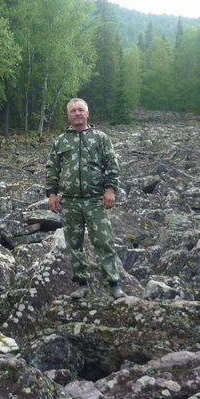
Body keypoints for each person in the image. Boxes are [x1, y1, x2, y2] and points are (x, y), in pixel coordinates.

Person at [46, 98, 126, 299]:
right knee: (74, 244)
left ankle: (114, 283)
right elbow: (52, 169)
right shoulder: (60, 141)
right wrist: (52, 194)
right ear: (69, 115)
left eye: (80, 110)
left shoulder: (100, 138)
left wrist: (110, 189)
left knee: (104, 241)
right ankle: (82, 284)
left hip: (94, 200)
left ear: (87, 114)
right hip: (70, 201)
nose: (77, 113)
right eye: (73, 111)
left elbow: (112, 165)